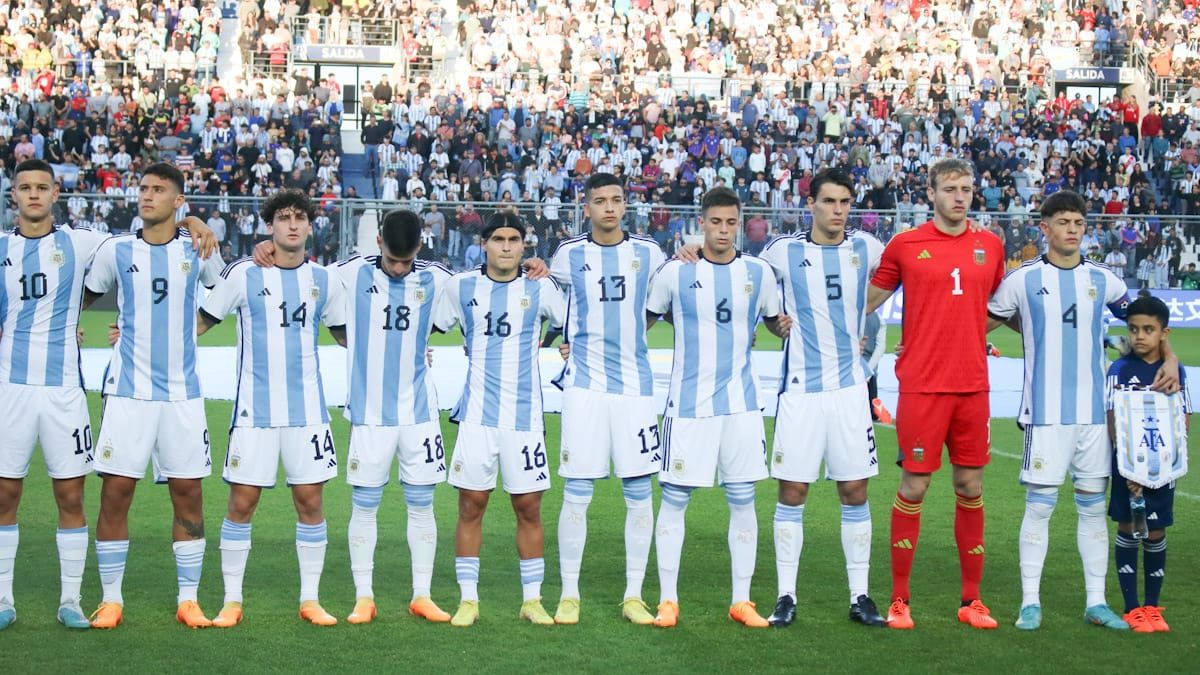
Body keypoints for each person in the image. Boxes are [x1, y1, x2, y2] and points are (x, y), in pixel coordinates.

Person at [865, 158, 1006, 630]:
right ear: (930, 193)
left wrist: (960, 332)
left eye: (966, 188)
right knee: (915, 486)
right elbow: (866, 300)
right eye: (950, 189)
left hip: (973, 387)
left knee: (971, 487)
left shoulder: (991, 245)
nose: (960, 197)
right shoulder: (906, 245)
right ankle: (900, 600)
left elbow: (1001, 307)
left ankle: (972, 601)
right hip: (923, 387)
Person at [83, 162, 223, 629]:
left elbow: (222, 293)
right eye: (143, 188)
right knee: (116, 493)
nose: (146, 195)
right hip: (128, 394)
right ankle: (110, 599)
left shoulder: (198, 249)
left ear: (178, 200)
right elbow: (78, 299)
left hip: (183, 396)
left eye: (159, 190)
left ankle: (189, 599)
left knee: (188, 495)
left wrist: (195, 224)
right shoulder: (116, 250)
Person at [199, 189, 347, 628]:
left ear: (310, 225)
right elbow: (199, 325)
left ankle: (310, 599)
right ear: (270, 226)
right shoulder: (243, 274)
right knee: (241, 504)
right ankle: (231, 600)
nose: (293, 224)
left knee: (310, 502)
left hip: (308, 414)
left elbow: (347, 337)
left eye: (300, 217)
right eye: (284, 217)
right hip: (253, 414)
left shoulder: (325, 279)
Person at [985, 190, 1133, 631]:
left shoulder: (1103, 279)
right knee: (1041, 506)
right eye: (1063, 222)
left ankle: (1096, 602)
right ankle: (1030, 602)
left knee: (1091, 508)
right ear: (1044, 228)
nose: (1072, 230)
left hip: (1092, 415)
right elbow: (981, 319)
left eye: (1078, 223)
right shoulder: (1023, 279)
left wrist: (1164, 356)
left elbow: (1145, 317)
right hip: (1045, 414)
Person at [646, 187, 790, 629]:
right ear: (701, 222)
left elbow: (771, 320)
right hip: (687, 406)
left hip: (742, 406)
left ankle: (741, 600)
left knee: (743, 500)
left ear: (740, 223)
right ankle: (668, 600)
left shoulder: (759, 272)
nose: (723, 230)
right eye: (716, 222)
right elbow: (643, 320)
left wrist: (782, 326)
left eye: (731, 222)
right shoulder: (675, 272)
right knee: (675, 499)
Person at [755, 169, 887, 627]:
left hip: (850, 391)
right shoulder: (780, 251)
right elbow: (758, 294)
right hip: (800, 392)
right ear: (809, 203)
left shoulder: (867, 248)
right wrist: (776, 326)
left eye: (845, 202)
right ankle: (785, 596)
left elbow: (897, 278)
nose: (837, 210)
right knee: (792, 491)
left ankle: (861, 596)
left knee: (855, 491)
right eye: (829, 201)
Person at [434, 213, 565, 627]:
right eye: (498, 239)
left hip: (524, 418)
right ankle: (468, 600)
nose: (506, 246)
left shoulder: (541, 286)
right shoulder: (461, 287)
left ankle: (532, 600)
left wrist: (564, 347)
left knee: (529, 507)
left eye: (514, 240)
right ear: (484, 244)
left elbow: (571, 325)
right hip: (477, 417)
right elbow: (433, 326)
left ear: (524, 246)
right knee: (471, 506)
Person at [546, 173, 666, 625]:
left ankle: (634, 594)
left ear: (625, 204)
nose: (610, 208)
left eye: (617, 200)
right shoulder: (568, 255)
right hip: (584, 388)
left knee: (639, 492)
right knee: (577, 492)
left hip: (635, 389)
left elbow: (658, 303)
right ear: (587, 207)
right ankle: (569, 594)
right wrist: (568, 338)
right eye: (601, 201)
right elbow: (550, 296)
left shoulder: (649, 254)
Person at [332, 210, 454, 624]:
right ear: (379, 242)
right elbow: (299, 277)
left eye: (407, 261)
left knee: (422, 504)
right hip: (370, 414)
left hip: (420, 412)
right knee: (365, 504)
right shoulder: (350, 272)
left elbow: (491, 285)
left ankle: (422, 594)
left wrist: (534, 266)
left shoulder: (437, 278)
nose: (399, 269)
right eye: (392, 259)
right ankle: (364, 596)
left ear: (420, 247)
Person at [0, 159, 107, 629]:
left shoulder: (80, 242)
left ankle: (70, 600)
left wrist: (191, 219)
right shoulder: (1, 248)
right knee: (5, 494)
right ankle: (3, 599)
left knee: (70, 495)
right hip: (10, 390)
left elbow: (144, 241)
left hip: (64, 391)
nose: (34, 195)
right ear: (14, 196)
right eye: (25, 188)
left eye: (42, 187)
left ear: (56, 192)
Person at [1107, 296, 1190, 633]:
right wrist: (1128, 468)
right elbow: (1113, 420)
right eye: (1134, 329)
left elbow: (1181, 420)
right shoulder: (1120, 370)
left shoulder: (1174, 370)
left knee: (1156, 531)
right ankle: (1131, 607)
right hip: (1126, 470)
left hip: (1162, 469)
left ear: (1163, 333)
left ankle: (1153, 607)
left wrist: (1164, 466)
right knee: (1128, 527)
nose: (1140, 336)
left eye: (1148, 330)